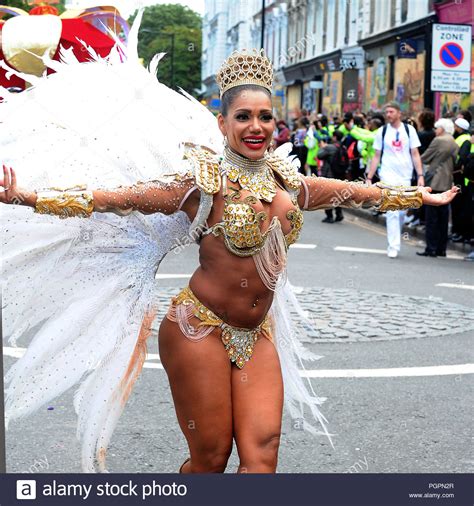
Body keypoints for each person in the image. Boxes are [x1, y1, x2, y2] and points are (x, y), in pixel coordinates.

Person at [0, 39, 459, 475]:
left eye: (264, 117)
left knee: (263, 457)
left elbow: (356, 191)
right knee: (211, 459)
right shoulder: (203, 184)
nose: (256, 127)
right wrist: (25, 196)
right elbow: (115, 198)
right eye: (243, 117)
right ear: (222, 123)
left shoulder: (288, 182)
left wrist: (420, 197)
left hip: (256, 332)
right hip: (199, 327)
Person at [366, 101, 425, 258]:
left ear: (399, 113)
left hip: (405, 175)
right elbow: (376, 156)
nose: (388, 115)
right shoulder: (382, 131)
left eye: (391, 111)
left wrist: (420, 175)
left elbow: (415, 153)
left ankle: (395, 237)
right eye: (387, 112)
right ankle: (393, 245)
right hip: (387, 174)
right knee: (392, 210)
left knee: (401, 211)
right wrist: (369, 177)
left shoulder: (409, 130)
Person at [416, 118, 458, 257]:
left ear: (442, 128)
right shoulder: (453, 141)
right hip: (446, 182)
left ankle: (431, 248)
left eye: (437, 128)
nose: (435, 130)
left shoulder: (439, 140)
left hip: (435, 181)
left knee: (431, 217)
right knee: (443, 218)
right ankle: (441, 249)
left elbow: (425, 158)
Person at [317, 130, 349, 223]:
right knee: (338, 195)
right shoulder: (343, 147)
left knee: (327, 196)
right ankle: (339, 214)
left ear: (335, 137)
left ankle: (329, 216)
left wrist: (322, 147)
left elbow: (319, 155)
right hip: (339, 175)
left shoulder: (330, 147)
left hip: (329, 175)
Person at [451, 117, 472, 243]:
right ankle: (457, 231)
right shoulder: (463, 138)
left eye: (455, 126)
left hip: (460, 179)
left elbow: (461, 160)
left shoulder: (464, 140)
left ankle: (459, 232)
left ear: (459, 127)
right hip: (460, 178)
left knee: (458, 206)